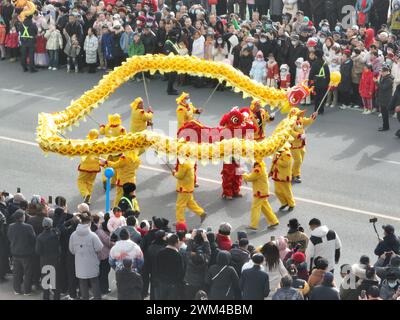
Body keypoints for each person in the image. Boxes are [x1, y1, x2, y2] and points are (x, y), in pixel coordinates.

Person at [68, 213, 103, 300]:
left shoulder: (73, 235)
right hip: (92, 263)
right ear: (89, 223)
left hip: (79, 264)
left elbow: (71, 250)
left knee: (82, 284)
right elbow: (99, 247)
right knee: (94, 283)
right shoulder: (92, 235)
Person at [243, 161, 279, 230]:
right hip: (263, 191)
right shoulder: (261, 167)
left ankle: (253, 225)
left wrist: (244, 174)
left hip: (260, 192)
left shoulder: (257, 169)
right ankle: (274, 221)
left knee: (255, 207)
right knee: (265, 207)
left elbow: (250, 178)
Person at [7, 209, 36, 295]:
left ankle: (17, 290)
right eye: (24, 215)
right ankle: (27, 291)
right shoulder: (28, 227)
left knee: (16, 273)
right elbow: (33, 239)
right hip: (26, 253)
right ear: (21, 217)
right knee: (27, 273)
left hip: (15, 253)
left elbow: (9, 237)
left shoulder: (11, 226)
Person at [35, 217, 61, 300]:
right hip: (55, 260)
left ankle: (46, 297)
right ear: (51, 225)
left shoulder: (40, 237)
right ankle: (56, 297)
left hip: (44, 261)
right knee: (55, 281)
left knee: (45, 281)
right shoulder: (55, 235)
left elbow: (38, 251)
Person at [289, 108, 317, 183]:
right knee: (298, 160)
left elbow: (307, 121)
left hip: (301, 144)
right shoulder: (290, 123)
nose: (301, 114)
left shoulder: (300, 119)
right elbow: (291, 132)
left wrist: (312, 117)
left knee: (300, 161)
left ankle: (293, 172)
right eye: (298, 114)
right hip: (294, 145)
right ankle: (295, 175)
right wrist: (299, 135)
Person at [154, 234, 185, 300]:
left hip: (161, 282)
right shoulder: (177, 255)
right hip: (173, 284)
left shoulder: (160, 253)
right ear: (176, 243)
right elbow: (181, 271)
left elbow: (156, 268)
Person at [77, 129, 102, 204]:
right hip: (95, 167)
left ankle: (85, 194)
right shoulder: (99, 144)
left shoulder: (85, 143)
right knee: (90, 182)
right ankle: (88, 198)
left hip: (85, 167)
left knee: (80, 181)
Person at [184, 230, 211, 299]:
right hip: (201, 283)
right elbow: (208, 252)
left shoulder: (189, 259)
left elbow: (188, 250)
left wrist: (192, 237)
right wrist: (205, 239)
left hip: (190, 283)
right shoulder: (205, 260)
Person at [269, 144, 296, 212]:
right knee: (277, 191)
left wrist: (277, 160)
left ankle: (291, 204)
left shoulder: (287, 154)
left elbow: (285, 164)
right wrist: (271, 172)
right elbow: (273, 163)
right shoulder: (277, 153)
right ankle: (284, 203)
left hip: (283, 176)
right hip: (276, 175)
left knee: (287, 192)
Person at [142, 229, 167, 299]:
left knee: (153, 291)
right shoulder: (164, 248)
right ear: (162, 237)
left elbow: (147, 261)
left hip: (153, 273)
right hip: (162, 274)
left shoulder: (151, 247)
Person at [92, 215, 113, 295]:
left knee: (98, 273)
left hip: (95, 256)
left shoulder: (91, 231)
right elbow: (108, 241)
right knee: (104, 273)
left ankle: (98, 288)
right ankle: (104, 289)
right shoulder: (99, 232)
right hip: (103, 255)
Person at [309, 49, 330, 114]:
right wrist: (327, 82)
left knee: (316, 96)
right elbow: (328, 74)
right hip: (324, 83)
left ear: (316, 55)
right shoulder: (325, 64)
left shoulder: (314, 63)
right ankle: (321, 109)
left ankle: (316, 109)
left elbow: (311, 74)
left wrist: (310, 83)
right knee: (322, 96)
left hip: (316, 83)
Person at [377, 64, 394, 131]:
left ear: (386, 72)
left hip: (386, 99)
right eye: (381, 71)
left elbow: (383, 87)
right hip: (382, 97)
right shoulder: (383, 77)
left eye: (382, 72)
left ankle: (386, 127)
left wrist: (377, 83)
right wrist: (377, 82)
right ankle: (385, 126)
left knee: (385, 114)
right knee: (383, 114)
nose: (381, 73)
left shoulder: (389, 79)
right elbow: (380, 86)